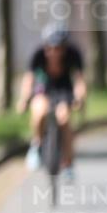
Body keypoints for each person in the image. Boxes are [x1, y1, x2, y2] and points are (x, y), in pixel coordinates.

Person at [18, 24, 87, 179]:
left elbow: (79, 81)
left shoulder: (73, 54)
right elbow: (29, 79)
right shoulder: (38, 54)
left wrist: (80, 98)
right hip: (43, 89)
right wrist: (23, 99)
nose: (54, 52)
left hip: (64, 90)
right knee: (39, 112)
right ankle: (37, 145)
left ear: (64, 47)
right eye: (51, 48)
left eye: (59, 48)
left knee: (65, 120)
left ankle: (68, 164)